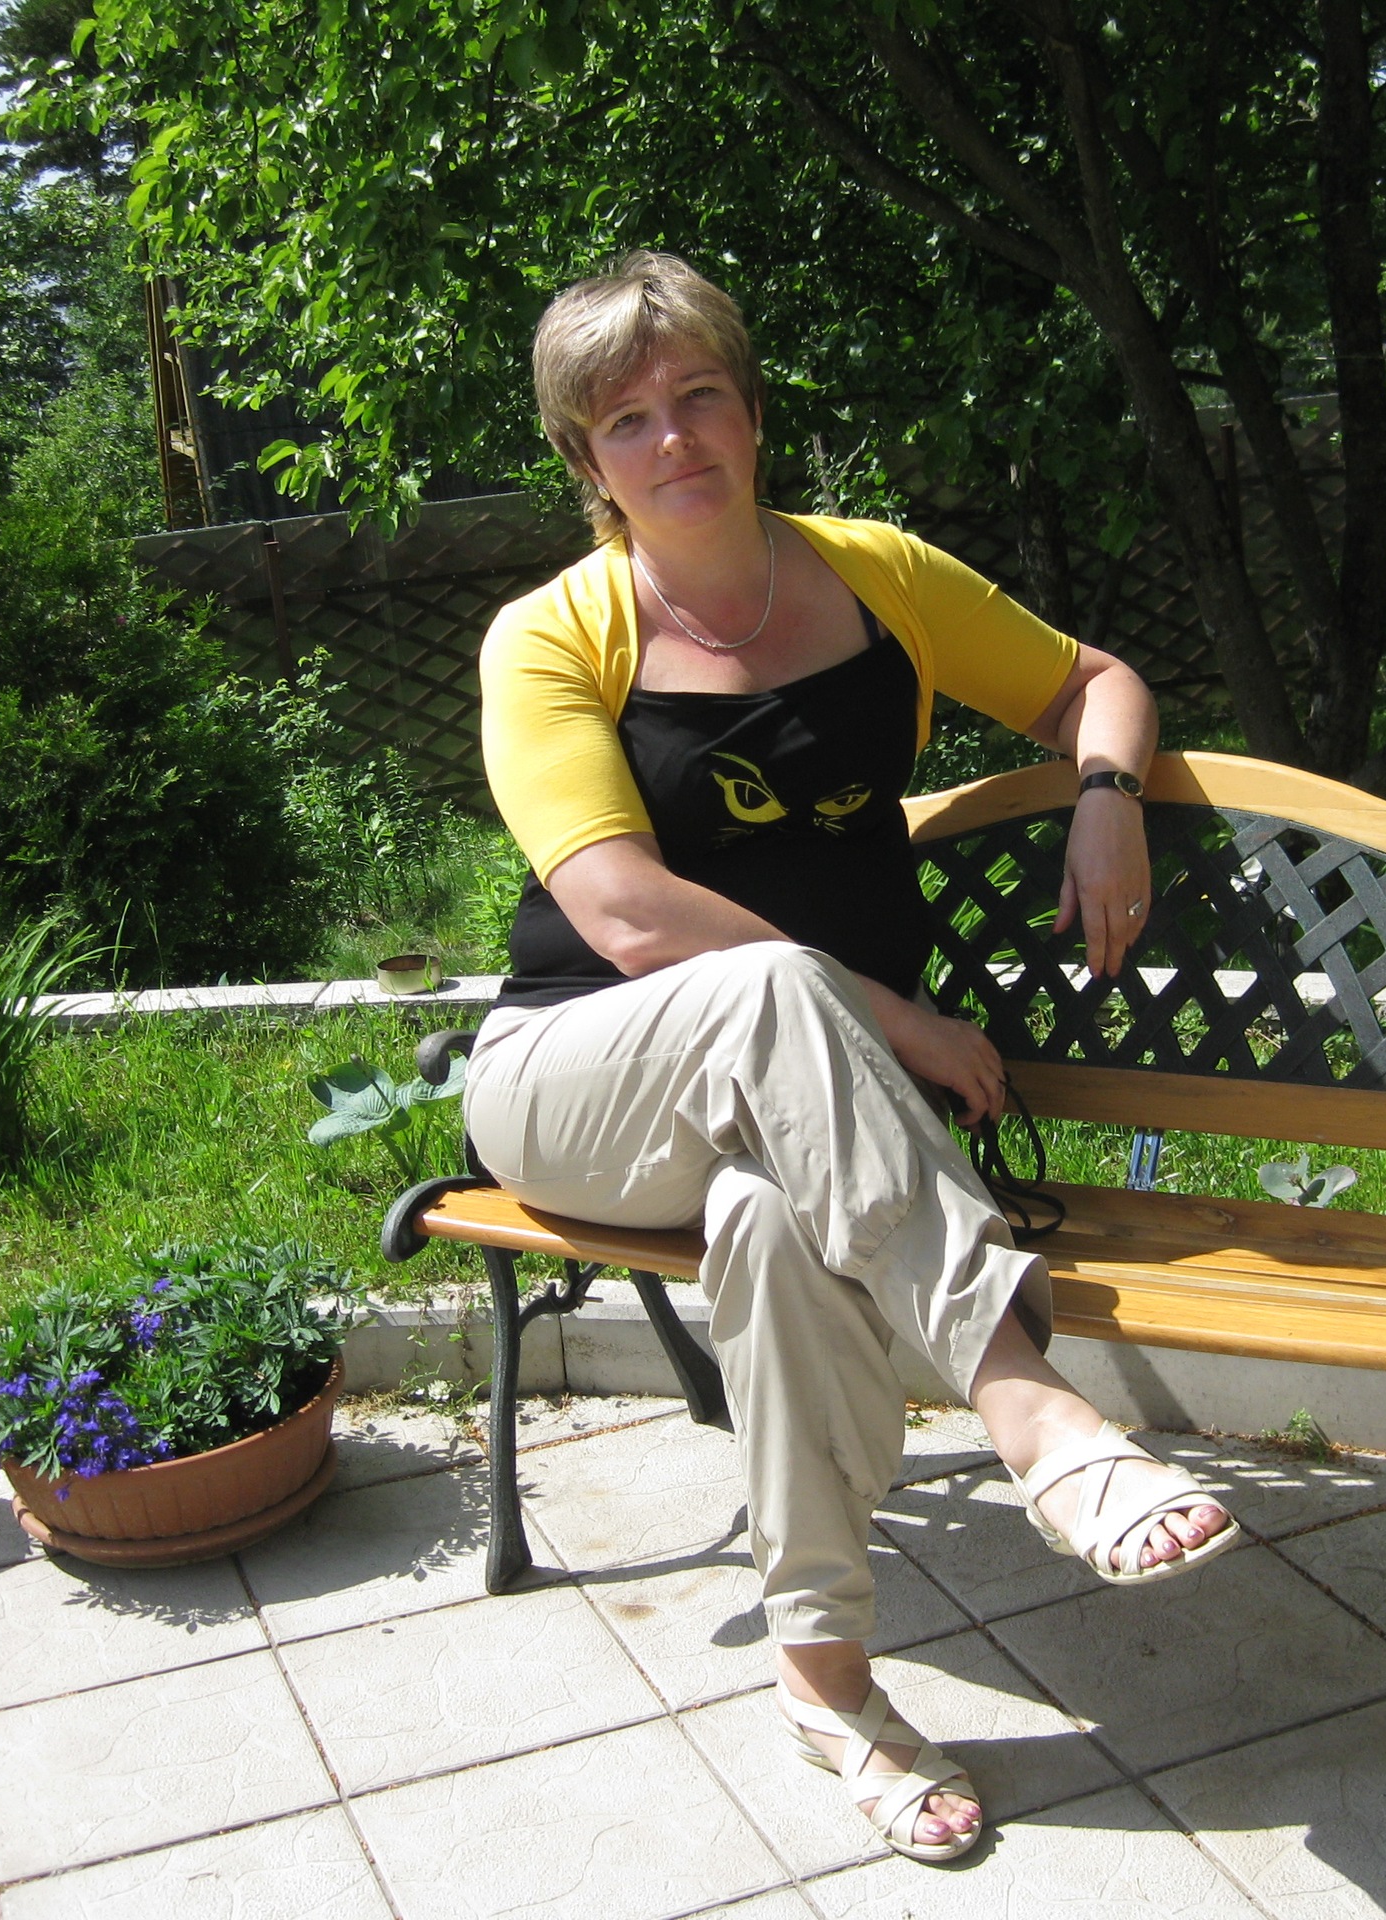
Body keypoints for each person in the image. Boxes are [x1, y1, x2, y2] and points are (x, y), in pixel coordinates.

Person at [462, 252, 1242, 1864]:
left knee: (765, 1225)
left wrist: (1105, 797)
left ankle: (825, 1688)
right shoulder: (552, 638)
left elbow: (1092, 682)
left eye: (698, 396)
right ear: (585, 458)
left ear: (752, 410)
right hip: (576, 1079)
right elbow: (625, 916)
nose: (673, 438)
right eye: (627, 419)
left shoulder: (876, 576)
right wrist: (900, 1022)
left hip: (804, 1119)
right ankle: (1029, 1406)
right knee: (766, 988)